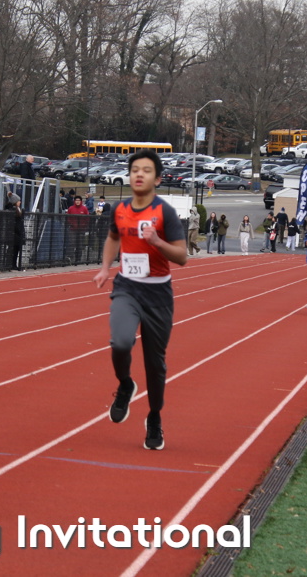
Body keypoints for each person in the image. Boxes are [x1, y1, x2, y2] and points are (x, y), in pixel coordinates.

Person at [94, 150, 187, 451]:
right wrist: (105, 268)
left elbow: (182, 256)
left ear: (157, 179)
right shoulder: (119, 209)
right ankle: (125, 384)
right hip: (127, 288)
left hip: (158, 295)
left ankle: (154, 416)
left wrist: (157, 241)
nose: (139, 174)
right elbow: (113, 237)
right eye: (135, 169)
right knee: (120, 341)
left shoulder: (165, 212)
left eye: (146, 170)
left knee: (155, 364)